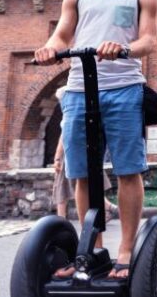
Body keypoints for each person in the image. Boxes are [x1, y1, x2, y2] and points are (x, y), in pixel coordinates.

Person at [34, 0, 157, 281]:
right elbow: (62, 36)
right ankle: (93, 248)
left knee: (127, 170)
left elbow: (149, 41)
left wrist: (122, 49)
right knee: (82, 173)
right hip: (77, 90)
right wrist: (49, 49)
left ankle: (124, 252)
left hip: (124, 88)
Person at [51, 88, 119, 220]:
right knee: (86, 182)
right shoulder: (75, 112)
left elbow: (64, 137)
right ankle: (106, 208)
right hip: (82, 152)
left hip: (71, 154)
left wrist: (58, 158)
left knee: (67, 186)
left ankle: (62, 218)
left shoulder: (70, 114)